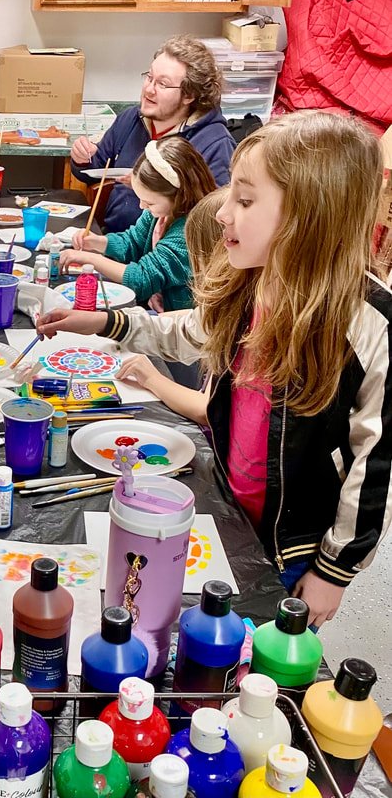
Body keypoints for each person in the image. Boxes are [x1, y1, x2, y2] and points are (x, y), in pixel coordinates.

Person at [39, 112, 392, 629]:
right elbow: (189, 331)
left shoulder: (369, 324)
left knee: (257, 660)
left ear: (310, 216)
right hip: (228, 501)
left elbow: (373, 462)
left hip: (289, 544)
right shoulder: (253, 279)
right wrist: (106, 322)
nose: (223, 213)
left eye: (245, 201)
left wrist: (333, 571)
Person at [71, 34, 235, 234]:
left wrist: (150, 188)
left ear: (190, 95)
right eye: (149, 77)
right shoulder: (131, 119)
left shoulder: (214, 142)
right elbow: (92, 169)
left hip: (165, 254)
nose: (149, 90)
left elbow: (211, 219)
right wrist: (82, 159)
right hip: (112, 241)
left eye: (163, 84)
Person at [114, 186, 229, 425]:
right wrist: (112, 323)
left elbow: (206, 409)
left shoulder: (242, 314)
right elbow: (190, 323)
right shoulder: (221, 308)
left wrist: (150, 378)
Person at [60, 136, 216, 311]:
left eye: (149, 203)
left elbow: (141, 279)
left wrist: (90, 258)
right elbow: (133, 242)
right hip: (160, 309)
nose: (143, 206)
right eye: (141, 199)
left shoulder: (190, 232)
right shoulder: (162, 212)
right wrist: (97, 242)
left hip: (182, 323)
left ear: (180, 196)